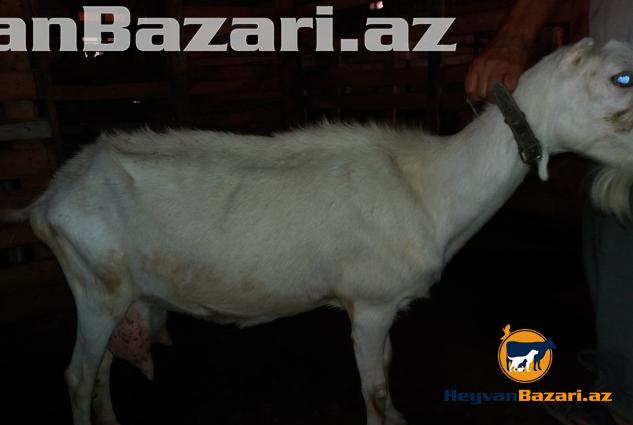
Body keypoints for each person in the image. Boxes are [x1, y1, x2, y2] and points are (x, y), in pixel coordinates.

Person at [465, 1, 633, 424]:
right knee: (604, 224)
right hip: (615, 75)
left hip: (622, 86)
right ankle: (619, 354)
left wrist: (513, 37)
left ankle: (623, 398)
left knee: (620, 238)